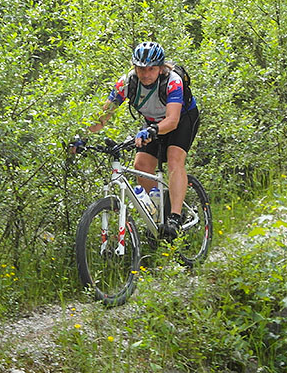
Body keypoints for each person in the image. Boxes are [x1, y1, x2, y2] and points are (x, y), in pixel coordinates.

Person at [81, 41, 200, 239]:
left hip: (182, 119)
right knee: (141, 164)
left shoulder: (173, 81)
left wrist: (152, 131)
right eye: (140, 69)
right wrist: (81, 136)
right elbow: (101, 119)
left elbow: (172, 121)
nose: (145, 74)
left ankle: (175, 217)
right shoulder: (127, 83)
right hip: (153, 122)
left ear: (160, 68)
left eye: (151, 69)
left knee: (174, 158)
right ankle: (161, 207)